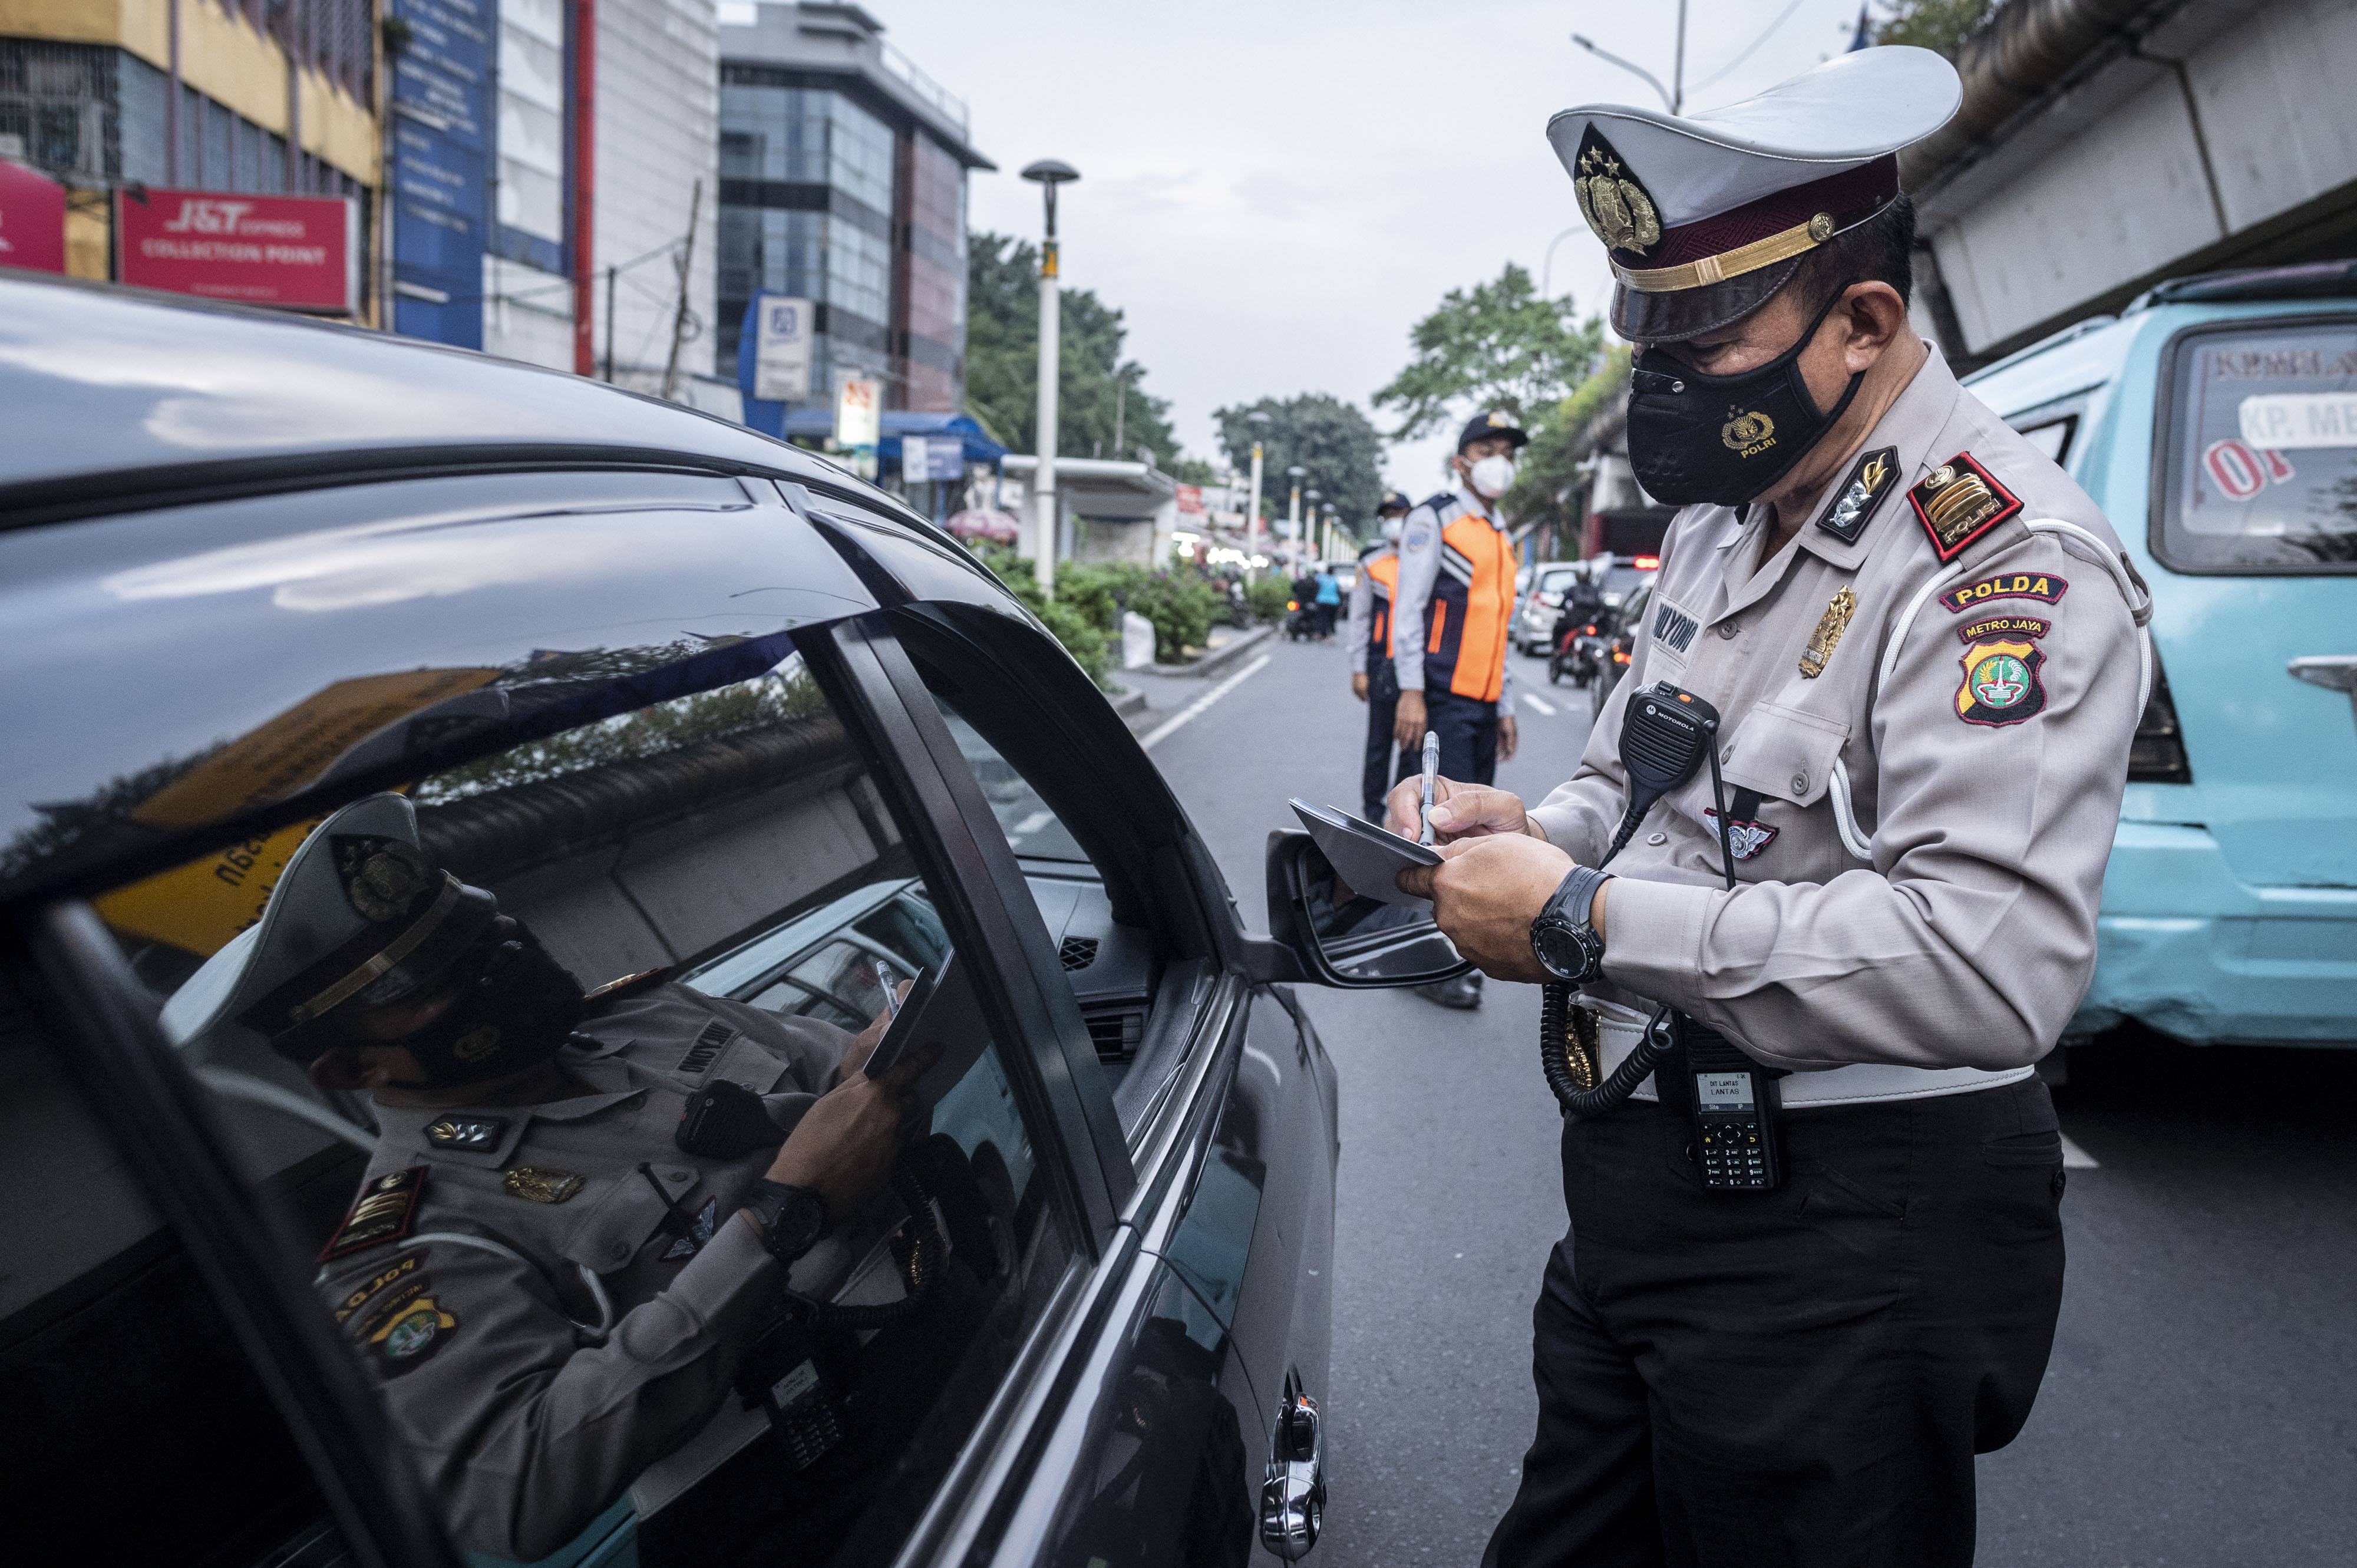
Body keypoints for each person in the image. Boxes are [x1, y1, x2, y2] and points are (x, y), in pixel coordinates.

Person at [1387, 47, 2150, 1567]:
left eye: (1701, 331)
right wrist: (1520, 826)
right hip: (1646, 1181)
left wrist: (1580, 921)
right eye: (1643, 326)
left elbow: (1983, 966)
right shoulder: (1731, 519)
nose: (1659, 375)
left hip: (1847, 1234)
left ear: (1862, 322)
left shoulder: (1999, 567)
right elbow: (1628, 777)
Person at [160, 794, 933, 1562]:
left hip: (951, 1318)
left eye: (481, 923)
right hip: (814, 1498)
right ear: (356, 1066)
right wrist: (778, 1219)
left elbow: (846, 1077)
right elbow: (511, 1496)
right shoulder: (415, 1240)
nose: (505, 957)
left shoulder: (644, 1015)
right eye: (445, 970)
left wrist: (877, 1066)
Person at [1391, 410, 1524, 791]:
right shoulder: (1434, 519)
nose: (1500, 463)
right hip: (1440, 701)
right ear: (1460, 464)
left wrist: (1504, 707)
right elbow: (1410, 609)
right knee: (1429, 827)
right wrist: (1412, 692)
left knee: (1473, 828)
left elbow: (1498, 628)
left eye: (1508, 454)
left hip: (1484, 707)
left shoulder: (1500, 534)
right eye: (1487, 452)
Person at [1348, 491, 1414, 820]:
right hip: (1382, 667)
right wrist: (1358, 668)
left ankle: (1402, 815)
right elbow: (1359, 620)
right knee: (1379, 746)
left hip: (1418, 669)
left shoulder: (1428, 560)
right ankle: (1372, 815)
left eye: (1400, 513)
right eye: (1388, 515)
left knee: (1412, 746)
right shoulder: (1371, 563)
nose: (1395, 521)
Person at [1312, 562, 1342, 641]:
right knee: (1332, 619)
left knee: (1322, 618)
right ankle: (1331, 635)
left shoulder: (1321, 579)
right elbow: (1339, 592)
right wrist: (1341, 604)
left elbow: (1316, 589)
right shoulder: (1335, 580)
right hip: (1333, 602)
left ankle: (1322, 634)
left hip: (1322, 601)